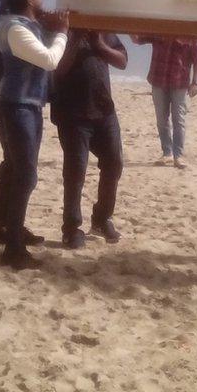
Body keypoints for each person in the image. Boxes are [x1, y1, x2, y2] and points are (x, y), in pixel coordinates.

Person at [0, 0, 68, 270]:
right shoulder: (15, 29)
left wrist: (52, 26)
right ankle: (13, 248)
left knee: (19, 172)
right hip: (17, 107)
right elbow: (49, 59)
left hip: (26, 106)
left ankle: (13, 232)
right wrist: (62, 31)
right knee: (26, 175)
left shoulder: (23, 25)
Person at [51, 29, 127, 249]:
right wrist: (74, 39)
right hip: (72, 114)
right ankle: (71, 228)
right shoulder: (61, 31)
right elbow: (57, 70)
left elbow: (122, 61)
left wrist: (100, 45)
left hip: (104, 110)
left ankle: (102, 219)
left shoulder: (103, 29)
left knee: (114, 163)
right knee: (76, 171)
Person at [0, 12, 45, 246]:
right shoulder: (12, 25)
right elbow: (45, 58)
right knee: (21, 169)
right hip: (7, 98)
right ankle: (8, 229)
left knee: (12, 162)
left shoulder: (2, 22)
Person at [131, 36, 197, 169]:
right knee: (162, 119)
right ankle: (167, 152)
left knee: (178, 119)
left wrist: (195, 82)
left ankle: (178, 155)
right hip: (158, 80)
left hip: (180, 82)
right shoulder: (160, 27)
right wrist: (126, 21)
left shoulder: (190, 33)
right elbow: (137, 39)